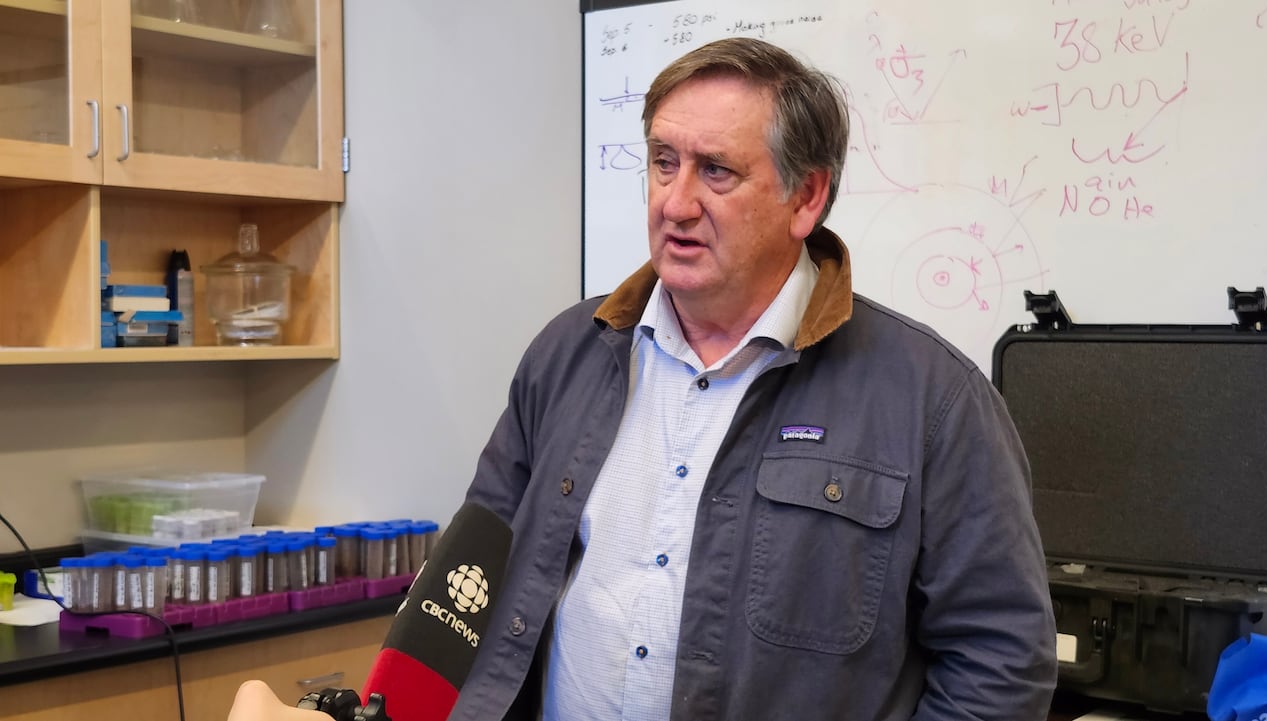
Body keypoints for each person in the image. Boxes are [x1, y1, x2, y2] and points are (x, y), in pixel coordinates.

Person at [228, 36, 1057, 721]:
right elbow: (469, 584)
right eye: (664, 162)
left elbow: (1001, 659)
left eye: (716, 171)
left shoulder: (932, 400)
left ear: (806, 197)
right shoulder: (569, 353)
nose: (676, 202)